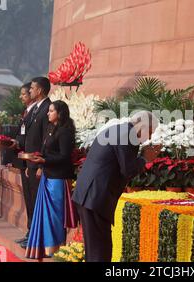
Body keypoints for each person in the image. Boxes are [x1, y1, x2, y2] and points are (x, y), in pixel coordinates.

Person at [72, 111, 161, 262]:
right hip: (95, 196)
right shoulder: (128, 135)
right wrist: (146, 158)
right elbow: (128, 170)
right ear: (143, 127)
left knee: (95, 249)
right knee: (100, 251)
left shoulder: (117, 129)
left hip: (88, 194)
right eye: (150, 132)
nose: (150, 138)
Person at [25, 101, 77, 259]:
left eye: (51, 111)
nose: (48, 113)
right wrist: (39, 162)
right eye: (48, 111)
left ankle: (55, 247)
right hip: (47, 175)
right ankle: (45, 247)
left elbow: (64, 157)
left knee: (55, 214)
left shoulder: (64, 132)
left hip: (58, 177)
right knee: (45, 214)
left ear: (60, 113)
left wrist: (44, 161)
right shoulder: (50, 129)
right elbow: (44, 151)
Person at [18, 77, 51, 249]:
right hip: (29, 163)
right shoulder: (36, 108)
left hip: (37, 163)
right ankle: (31, 234)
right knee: (30, 201)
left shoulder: (47, 108)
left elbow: (46, 140)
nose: (29, 92)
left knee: (38, 202)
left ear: (39, 90)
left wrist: (40, 165)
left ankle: (37, 236)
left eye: (31, 89)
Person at [7, 82, 37, 245]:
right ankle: (30, 232)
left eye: (25, 93)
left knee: (33, 199)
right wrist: (14, 142)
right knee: (28, 199)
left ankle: (33, 234)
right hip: (25, 160)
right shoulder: (28, 112)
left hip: (33, 162)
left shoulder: (38, 112)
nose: (21, 96)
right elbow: (23, 135)